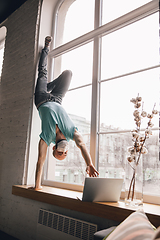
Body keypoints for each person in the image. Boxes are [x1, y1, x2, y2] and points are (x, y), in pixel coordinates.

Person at [33, 36, 99, 190]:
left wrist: (37, 186)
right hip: (57, 98)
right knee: (68, 73)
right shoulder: (71, 133)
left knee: (42, 73)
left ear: (54, 149)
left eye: (59, 154)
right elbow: (82, 145)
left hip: (41, 99)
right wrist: (89, 164)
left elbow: (40, 161)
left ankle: (46, 48)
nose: (63, 153)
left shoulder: (46, 138)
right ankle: (46, 85)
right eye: (65, 154)